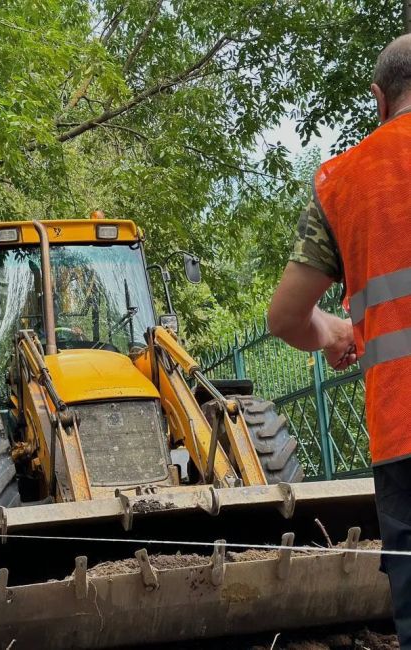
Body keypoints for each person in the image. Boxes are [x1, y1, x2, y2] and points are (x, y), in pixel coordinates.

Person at [268, 34, 411, 649]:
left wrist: (333, 330)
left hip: (402, 434)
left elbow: (285, 317)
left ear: (379, 99)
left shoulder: (343, 181)